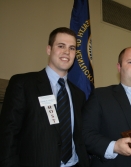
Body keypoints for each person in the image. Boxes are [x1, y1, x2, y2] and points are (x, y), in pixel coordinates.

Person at [0, 27, 90, 167]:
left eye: (72, 48)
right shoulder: (24, 84)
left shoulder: (79, 95)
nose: (67, 52)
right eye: (61, 46)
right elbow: (8, 136)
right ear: (49, 49)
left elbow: (80, 136)